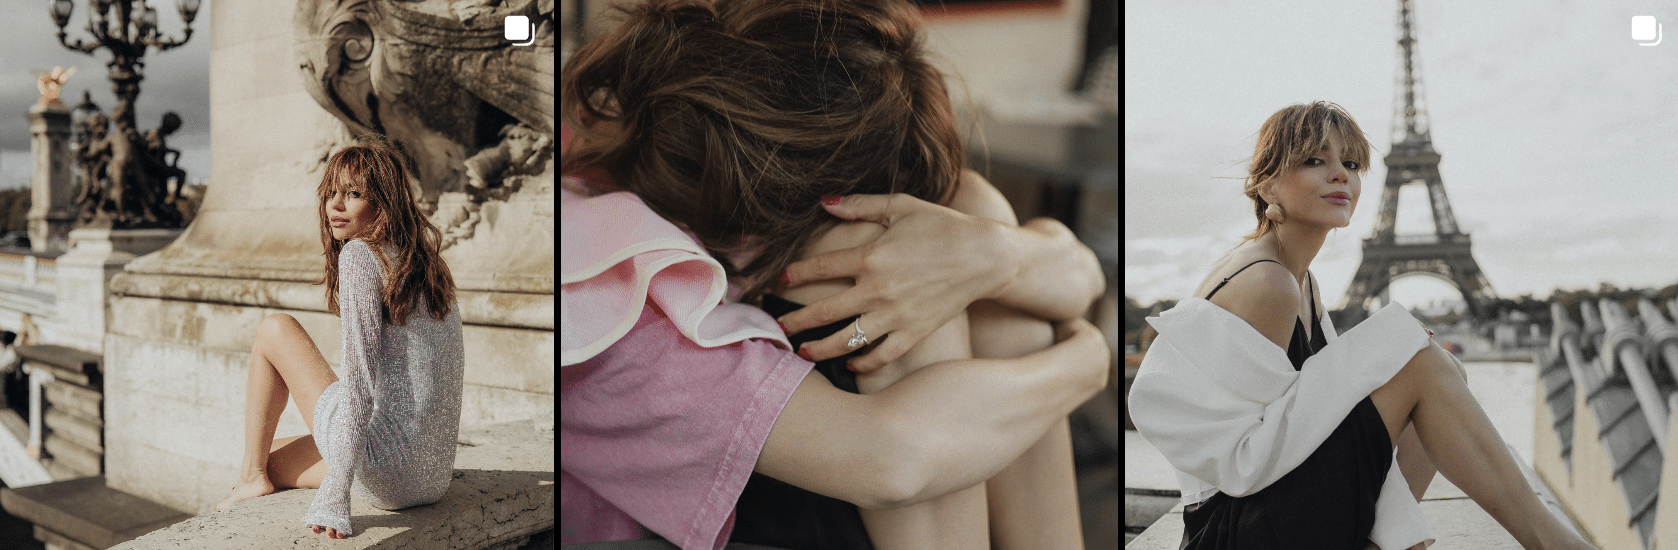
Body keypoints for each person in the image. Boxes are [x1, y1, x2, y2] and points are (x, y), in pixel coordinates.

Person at [560, 0, 1110, 547]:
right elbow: (889, 462)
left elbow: (1078, 274)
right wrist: (1083, 364)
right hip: (772, 485)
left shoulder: (701, 166)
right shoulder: (601, 283)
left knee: (968, 217)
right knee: (896, 260)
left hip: (839, 452)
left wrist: (992, 252)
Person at [1128, 101, 1596, 550]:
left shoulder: (1297, 278)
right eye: (1315, 160)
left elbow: (1309, 421)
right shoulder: (1268, 283)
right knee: (1422, 365)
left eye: (1351, 163)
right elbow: (1257, 459)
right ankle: (1553, 542)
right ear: (1267, 186)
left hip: (1263, 511)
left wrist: (1387, 355)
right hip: (1235, 530)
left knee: (1442, 366)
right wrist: (1388, 353)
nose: (1340, 175)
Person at [214, 138, 465, 541]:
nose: (335, 205)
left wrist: (335, 495)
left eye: (353, 194)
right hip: (431, 478)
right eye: (331, 193)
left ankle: (250, 479)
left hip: (387, 472)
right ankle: (257, 472)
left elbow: (360, 389)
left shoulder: (361, 257)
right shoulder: (428, 264)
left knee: (274, 329)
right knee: (274, 454)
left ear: (383, 202)